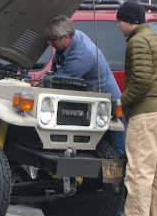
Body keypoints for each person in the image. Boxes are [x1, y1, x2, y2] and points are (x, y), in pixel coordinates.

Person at [104, 1, 157, 216]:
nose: (117, 25)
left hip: (146, 114)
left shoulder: (137, 42)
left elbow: (141, 81)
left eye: (119, 21)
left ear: (130, 22)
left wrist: (123, 102)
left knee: (138, 172)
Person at [44, 15, 124, 154]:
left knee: (114, 150)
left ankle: (119, 172)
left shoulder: (82, 55)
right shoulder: (75, 37)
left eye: (53, 40)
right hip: (92, 100)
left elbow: (58, 81)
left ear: (67, 37)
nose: (49, 42)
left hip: (107, 104)